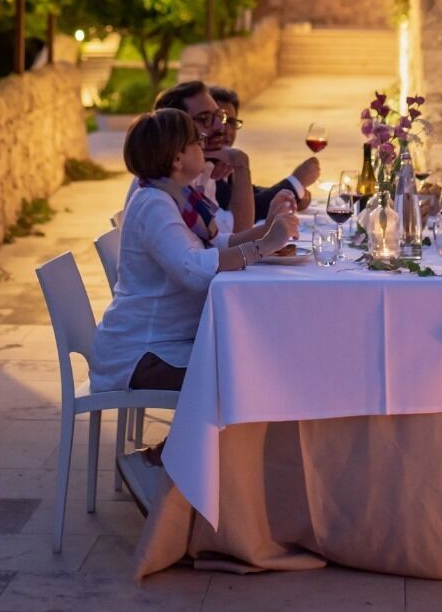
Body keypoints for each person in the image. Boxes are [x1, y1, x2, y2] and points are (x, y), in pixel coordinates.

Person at [93, 109, 299, 510]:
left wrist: (266, 228)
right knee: (241, 376)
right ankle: (162, 467)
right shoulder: (153, 204)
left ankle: (212, 484)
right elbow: (191, 269)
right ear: (176, 158)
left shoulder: (176, 197)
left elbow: (211, 247)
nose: (202, 144)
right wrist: (264, 246)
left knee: (248, 365)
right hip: (142, 352)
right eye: (193, 141)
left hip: (164, 340)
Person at [145, 81, 254, 238]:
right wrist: (240, 162)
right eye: (205, 119)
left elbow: (225, 233)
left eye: (219, 116)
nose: (220, 127)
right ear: (175, 128)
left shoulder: (202, 168)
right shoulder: (161, 182)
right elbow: (239, 233)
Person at [210, 86, 321, 218]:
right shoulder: (203, 167)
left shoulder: (223, 160)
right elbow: (249, 212)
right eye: (218, 120)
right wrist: (296, 182)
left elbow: (251, 192)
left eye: (231, 122)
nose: (224, 130)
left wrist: (293, 193)